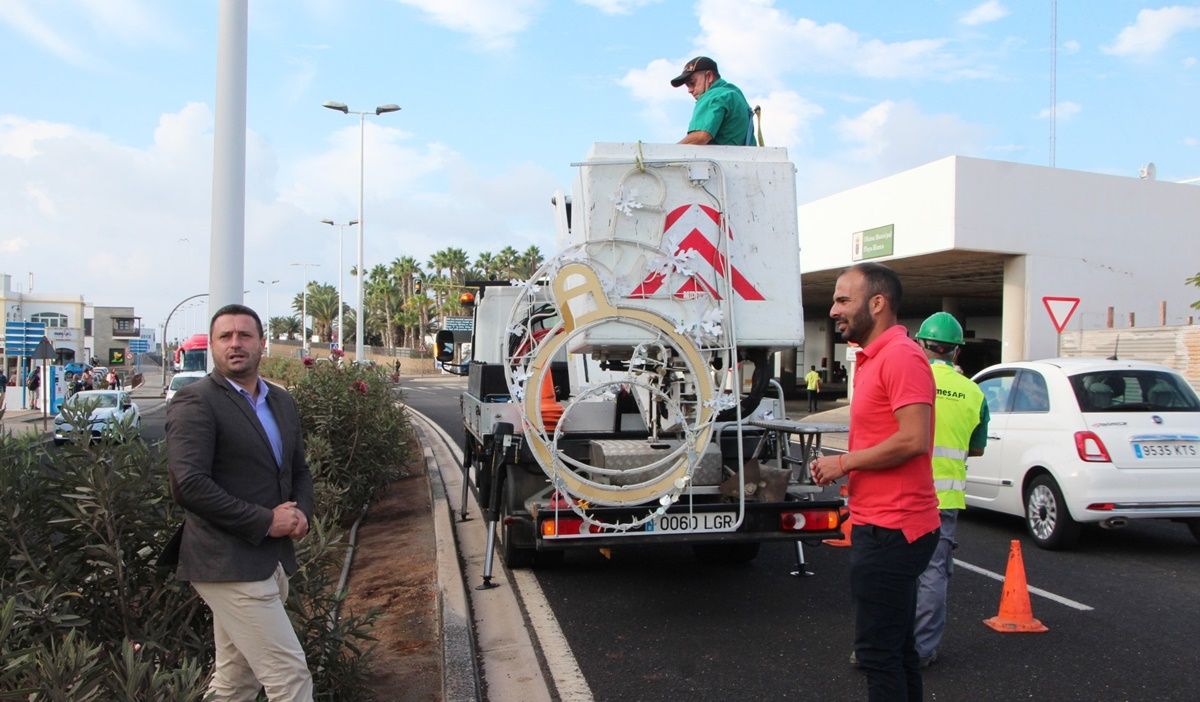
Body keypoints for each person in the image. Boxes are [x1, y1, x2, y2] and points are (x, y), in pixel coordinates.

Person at [164, 303, 315, 700]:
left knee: (236, 682)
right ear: (213, 346)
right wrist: (266, 520)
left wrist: (301, 512)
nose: (235, 344)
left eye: (244, 335)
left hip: (270, 560)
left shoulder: (281, 401)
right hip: (226, 561)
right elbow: (189, 485)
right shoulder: (196, 401)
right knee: (291, 677)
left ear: (261, 343)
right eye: (225, 336)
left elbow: (298, 469)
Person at [810, 262, 940, 702]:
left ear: (878, 303)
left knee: (877, 655)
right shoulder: (873, 358)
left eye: (843, 300)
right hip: (881, 524)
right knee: (898, 649)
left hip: (894, 528)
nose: (834, 310)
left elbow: (914, 439)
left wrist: (843, 463)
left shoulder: (901, 356)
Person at [912, 312, 989, 669]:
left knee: (890, 572)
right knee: (933, 575)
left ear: (921, 345)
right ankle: (922, 649)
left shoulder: (910, 380)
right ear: (957, 351)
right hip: (945, 498)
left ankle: (879, 645)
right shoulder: (974, 392)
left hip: (903, 494)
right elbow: (977, 448)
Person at [670, 56, 754, 146]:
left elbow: (700, 136)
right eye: (687, 86)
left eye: (692, 83)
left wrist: (669, 152)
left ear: (709, 76)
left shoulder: (714, 95)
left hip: (722, 155)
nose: (689, 90)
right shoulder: (734, 94)